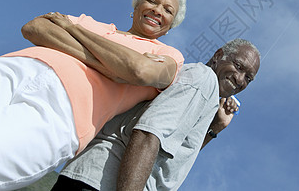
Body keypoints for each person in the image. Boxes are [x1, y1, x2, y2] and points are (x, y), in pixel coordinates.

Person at [0, 0, 187, 191]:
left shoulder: (168, 55)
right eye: (152, 1)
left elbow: (138, 70)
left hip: (64, 111)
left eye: (168, 10)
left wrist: (72, 30)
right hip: (15, 68)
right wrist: (111, 67)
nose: (158, 10)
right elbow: (35, 27)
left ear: (169, 27)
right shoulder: (92, 22)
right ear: (136, 6)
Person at [51, 38, 261, 191]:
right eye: (238, 66)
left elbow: (173, 158)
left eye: (248, 78)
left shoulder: (204, 93)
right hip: (98, 184)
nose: (240, 79)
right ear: (217, 56)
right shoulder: (203, 81)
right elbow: (147, 134)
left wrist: (214, 128)